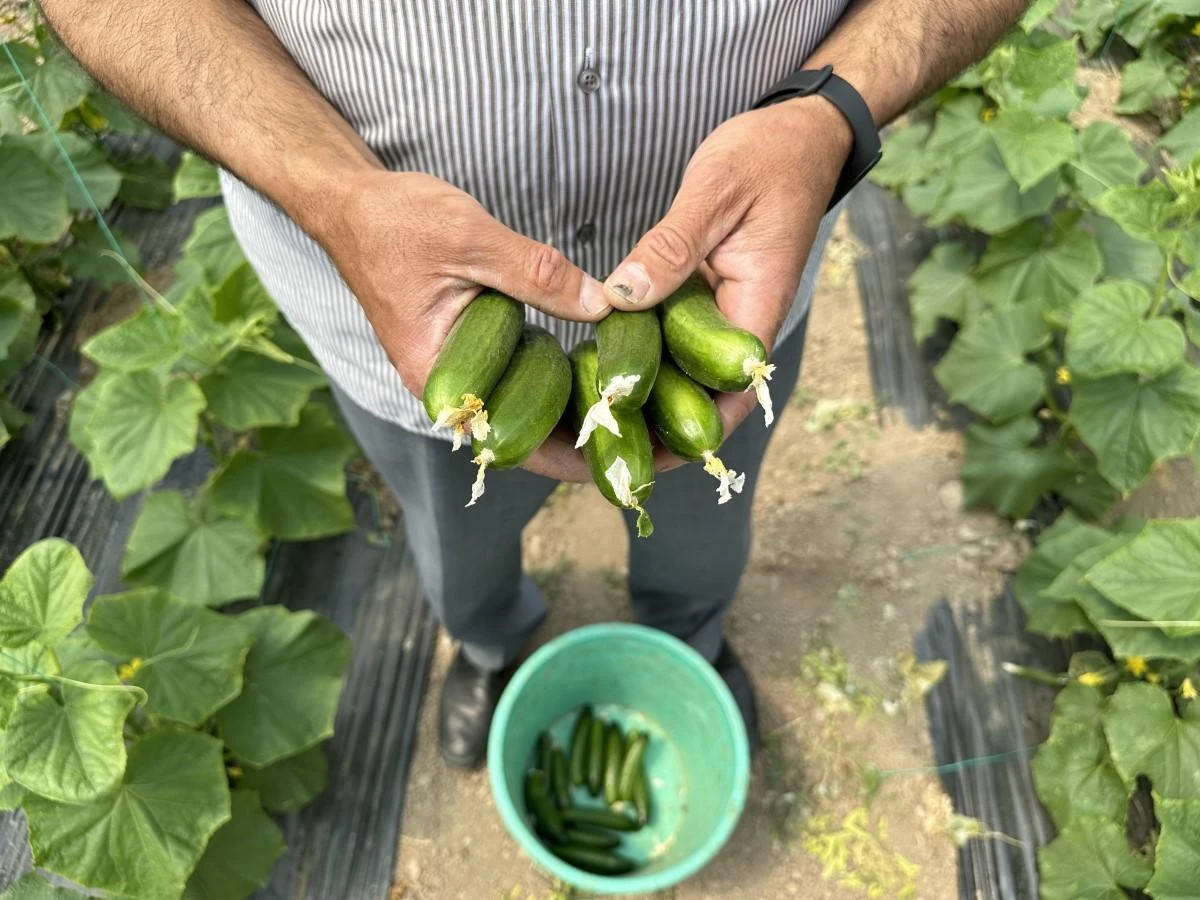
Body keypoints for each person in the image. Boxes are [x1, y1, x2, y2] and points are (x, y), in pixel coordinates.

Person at [44, 0, 1027, 770]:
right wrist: (333, 192)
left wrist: (833, 113)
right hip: (389, 304)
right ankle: (493, 647)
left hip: (727, 296)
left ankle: (687, 635)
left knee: (699, 504)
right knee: (455, 526)